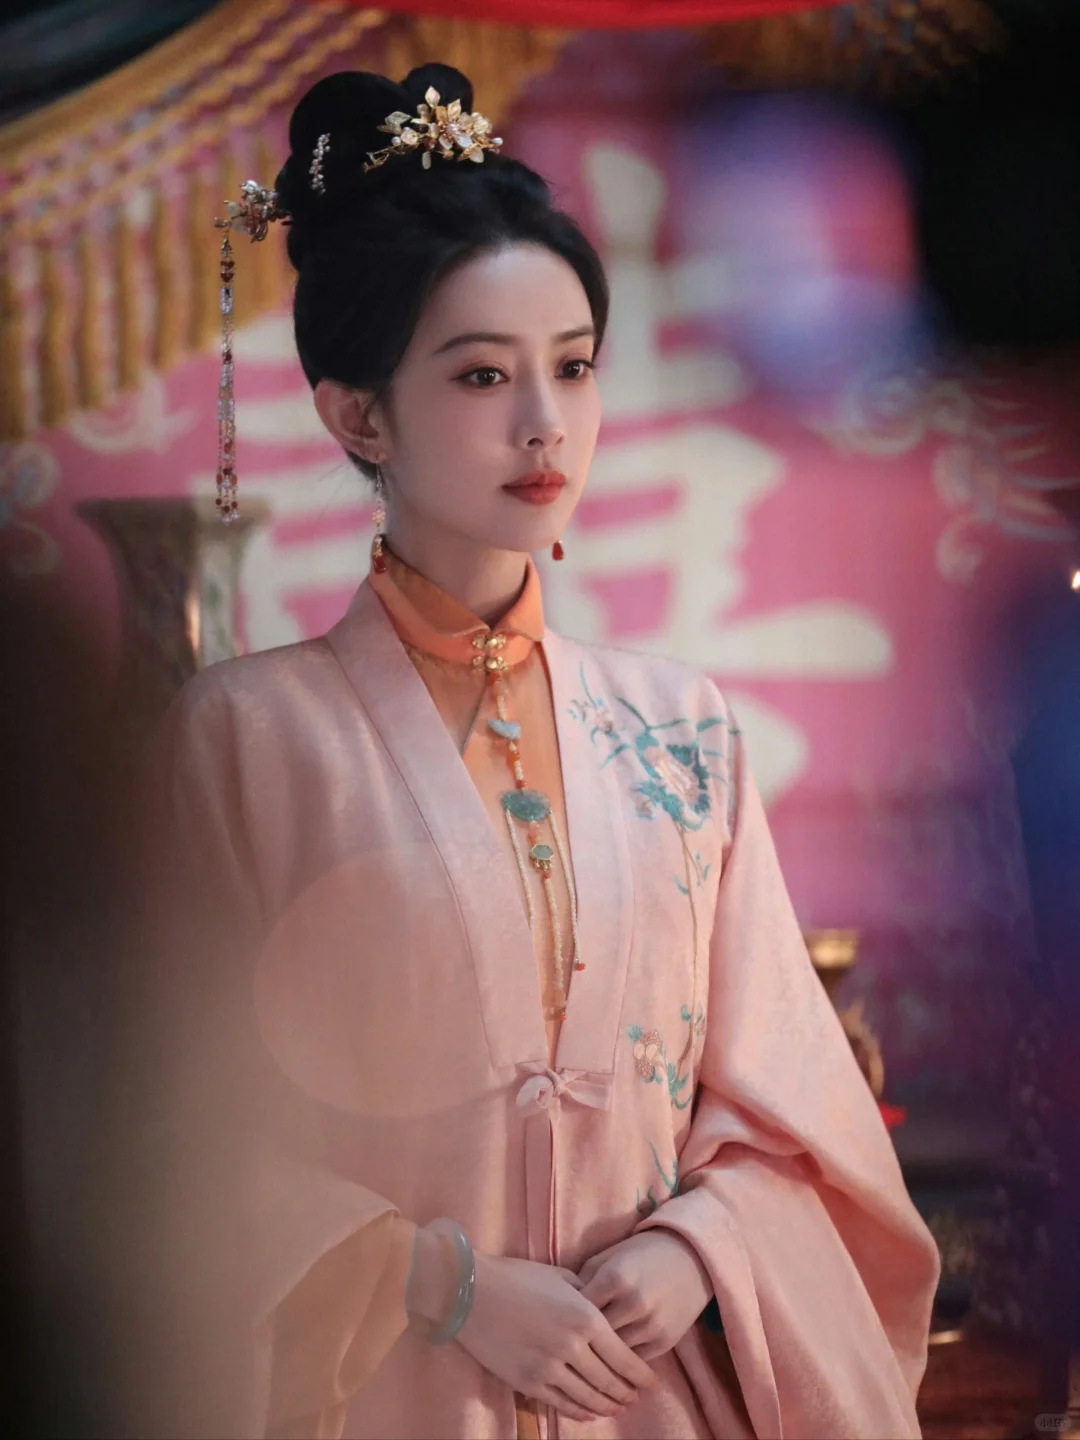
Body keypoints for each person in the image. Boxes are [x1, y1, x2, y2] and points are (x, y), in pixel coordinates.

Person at [116, 63, 940, 1440]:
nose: (545, 422)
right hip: (385, 1392)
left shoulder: (684, 732)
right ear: (358, 414)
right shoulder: (246, 742)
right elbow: (158, 1133)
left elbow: (796, 1110)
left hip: (651, 1393)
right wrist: (438, 1284)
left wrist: (699, 1249)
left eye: (573, 365)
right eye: (484, 375)